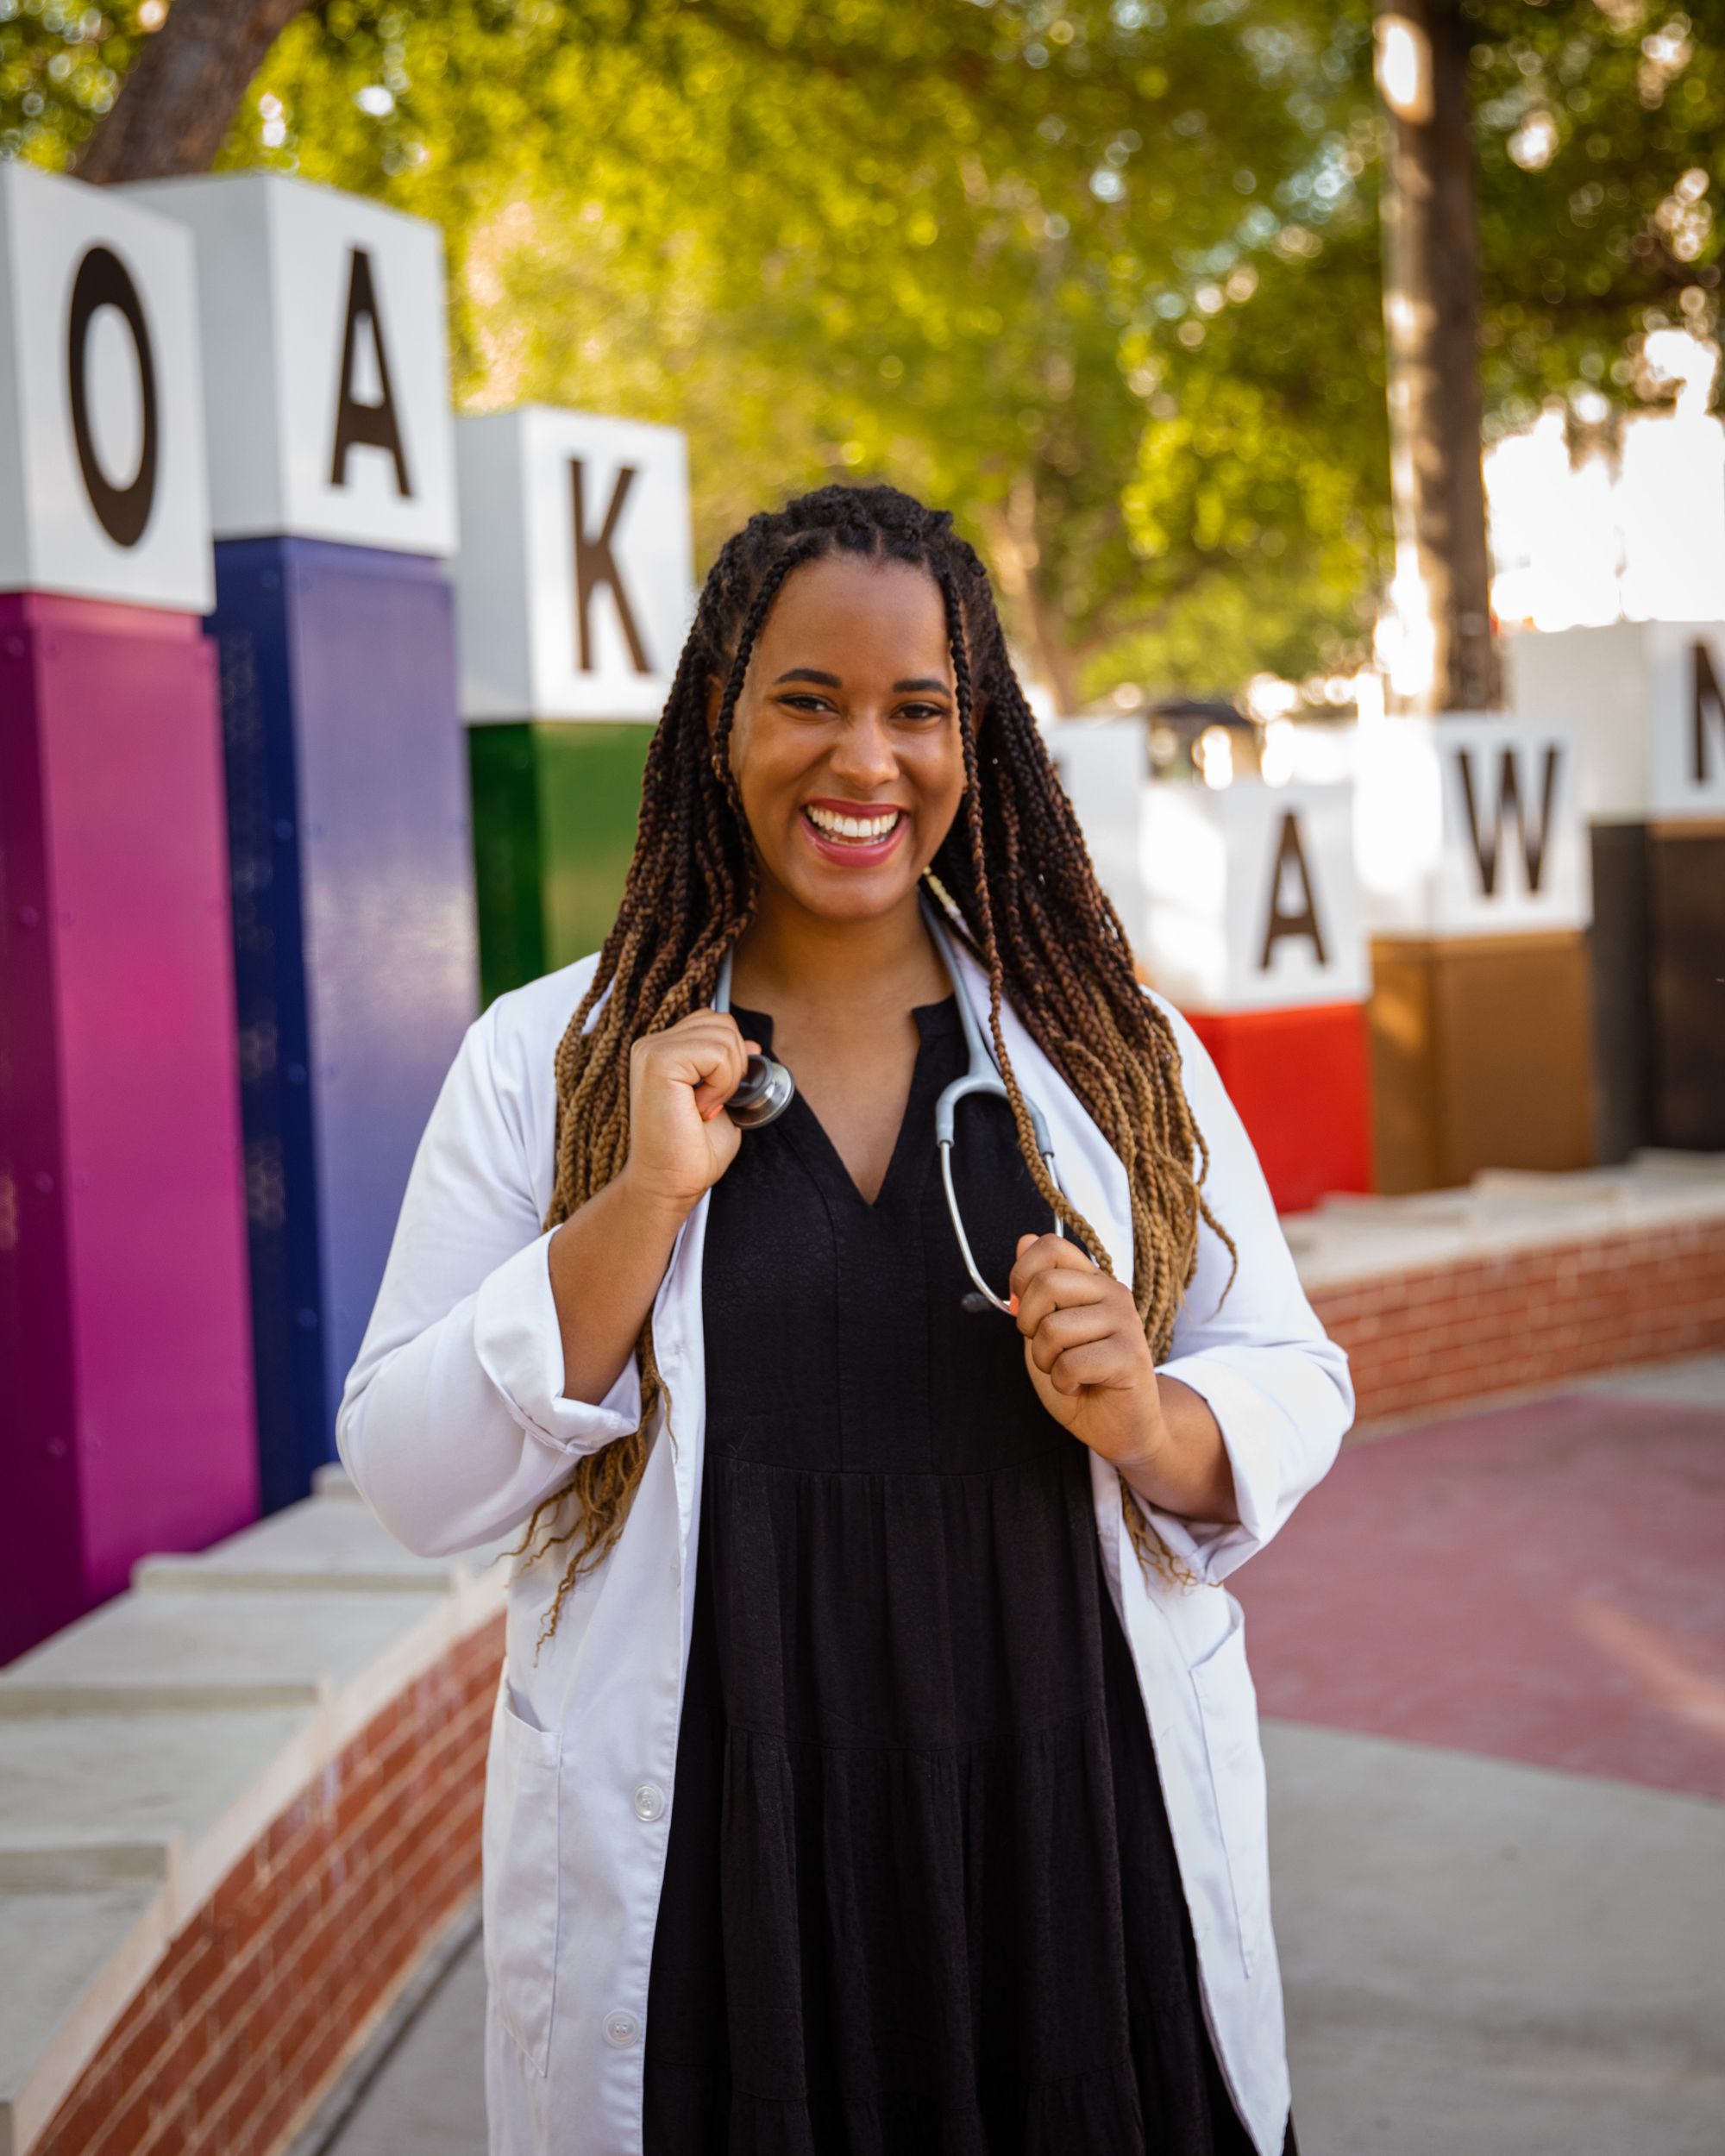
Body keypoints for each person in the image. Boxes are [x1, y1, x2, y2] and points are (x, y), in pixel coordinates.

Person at [336, 483, 1352, 2156]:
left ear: (977, 737)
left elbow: (1289, 1369)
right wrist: (636, 1203)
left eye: (918, 710)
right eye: (808, 699)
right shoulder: (554, 1062)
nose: (865, 760)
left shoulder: (1111, 1050)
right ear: (717, 719)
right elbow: (410, 1473)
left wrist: (1154, 1417)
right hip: (728, 1859)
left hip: (1065, 1823)